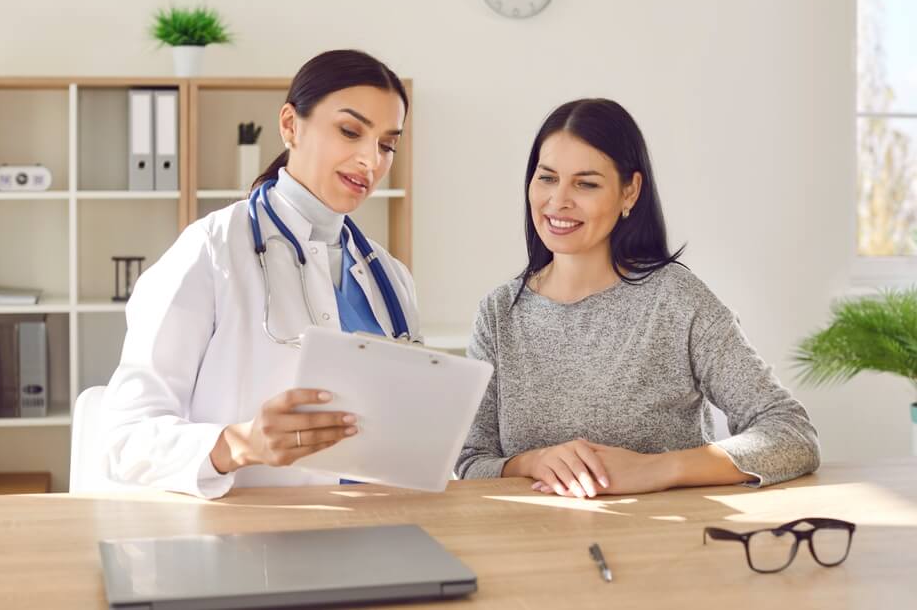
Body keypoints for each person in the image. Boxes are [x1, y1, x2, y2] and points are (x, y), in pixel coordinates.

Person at [456, 98, 819, 498]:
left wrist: (658, 468)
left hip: (659, 546)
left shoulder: (677, 301)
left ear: (630, 192)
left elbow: (791, 433)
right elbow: (472, 462)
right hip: (529, 546)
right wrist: (530, 462)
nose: (558, 201)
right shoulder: (498, 313)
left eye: (586, 183)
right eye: (547, 178)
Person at [99, 49, 419, 498]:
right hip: (249, 539)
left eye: (387, 144)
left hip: (382, 525)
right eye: (350, 131)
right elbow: (125, 439)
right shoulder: (211, 249)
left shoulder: (391, 278)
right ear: (290, 125)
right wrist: (239, 444)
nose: (372, 160)